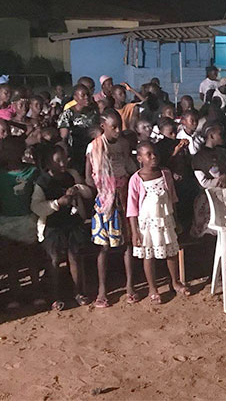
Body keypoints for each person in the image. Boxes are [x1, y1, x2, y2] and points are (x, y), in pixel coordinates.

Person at [86, 110, 138, 308]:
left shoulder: (124, 144)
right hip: (104, 201)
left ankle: (130, 287)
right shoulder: (94, 147)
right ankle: (102, 290)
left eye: (119, 126)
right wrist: (104, 190)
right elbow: (89, 176)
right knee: (104, 247)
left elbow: (129, 165)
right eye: (113, 127)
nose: (118, 130)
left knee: (127, 244)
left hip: (124, 198)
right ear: (103, 126)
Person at [0, 136, 43, 308]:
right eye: (4, 151)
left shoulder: (32, 171)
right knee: (12, 261)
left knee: (31, 258)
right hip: (6, 222)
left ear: (21, 152)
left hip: (28, 220)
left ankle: (36, 292)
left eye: (10, 150)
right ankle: (14, 296)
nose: (6, 154)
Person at [31, 145, 93, 310]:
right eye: (57, 160)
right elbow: (36, 207)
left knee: (75, 258)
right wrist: (57, 203)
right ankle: (55, 296)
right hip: (53, 226)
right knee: (54, 260)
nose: (62, 163)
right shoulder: (42, 182)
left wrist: (78, 189)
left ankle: (79, 292)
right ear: (48, 163)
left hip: (72, 223)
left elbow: (88, 193)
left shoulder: (71, 175)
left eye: (64, 158)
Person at [127, 142, 189, 304]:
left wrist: (176, 220)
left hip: (166, 219)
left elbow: (172, 198)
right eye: (148, 154)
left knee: (171, 251)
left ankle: (175, 282)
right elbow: (132, 209)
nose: (153, 157)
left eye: (155, 154)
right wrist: (135, 232)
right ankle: (153, 288)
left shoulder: (165, 174)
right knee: (149, 255)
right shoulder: (136, 180)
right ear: (140, 158)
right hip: (147, 224)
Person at [58, 84, 99, 172]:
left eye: (88, 94)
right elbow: (64, 136)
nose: (86, 97)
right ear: (75, 97)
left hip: (93, 147)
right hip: (76, 149)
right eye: (83, 95)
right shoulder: (69, 113)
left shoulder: (94, 111)